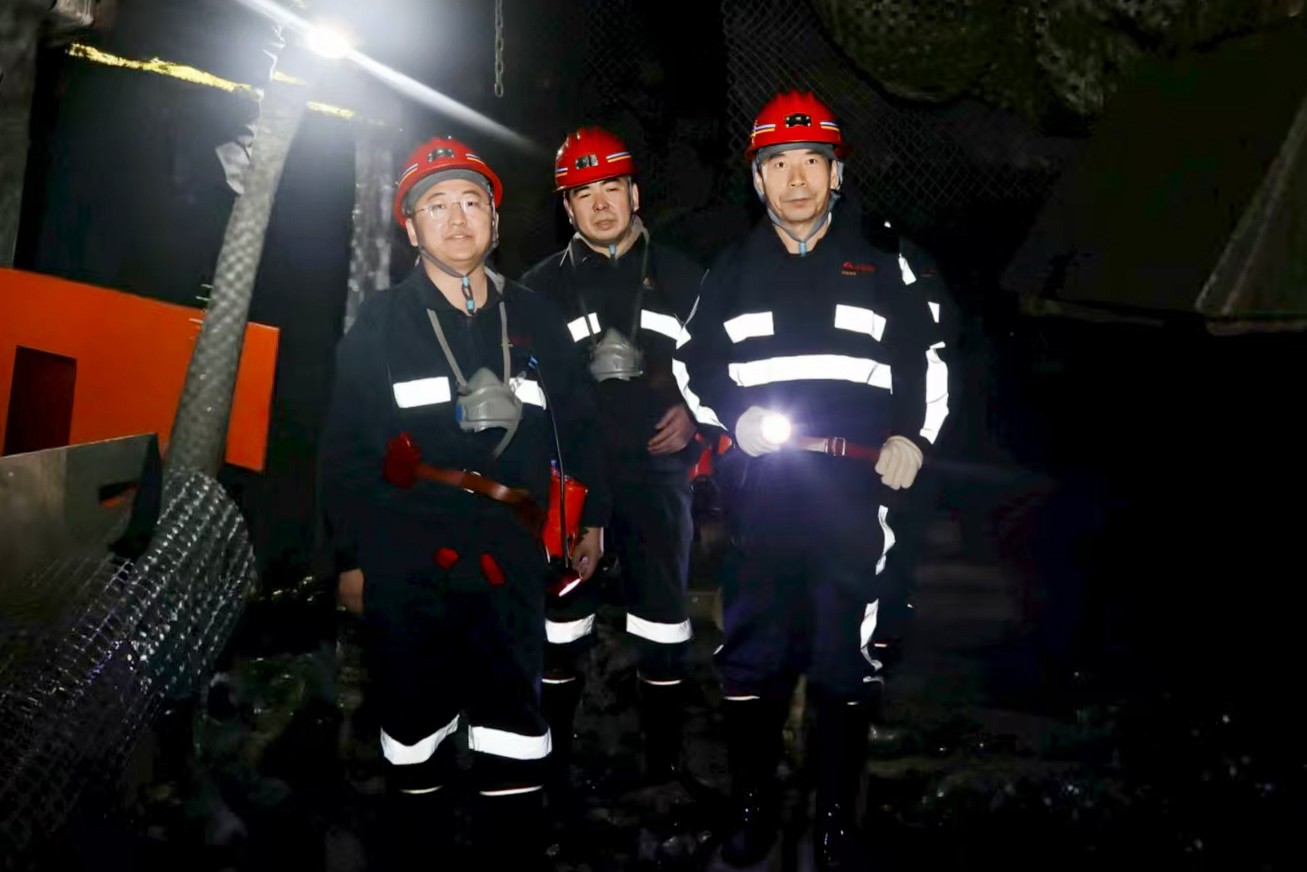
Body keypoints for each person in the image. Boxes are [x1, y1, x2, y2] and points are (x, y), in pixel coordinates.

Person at [673, 91, 951, 869]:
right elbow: (692, 363)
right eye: (777, 164)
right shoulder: (730, 271)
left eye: (811, 162)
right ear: (757, 179)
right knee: (752, 653)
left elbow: (930, 358)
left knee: (843, 654)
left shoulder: (888, 263)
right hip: (762, 496)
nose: (795, 179)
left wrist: (912, 438)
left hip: (857, 495)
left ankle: (834, 817)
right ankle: (752, 805)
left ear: (836, 173)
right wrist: (732, 419)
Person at [319, 136, 610, 868]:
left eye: (472, 202)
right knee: (415, 721)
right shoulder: (380, 326)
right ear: (411, 229)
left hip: (511, 552)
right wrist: (351, 559)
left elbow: (580, 426)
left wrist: (593, 518)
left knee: (512, 718)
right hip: (408, 553)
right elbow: (344, 452)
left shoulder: (538, 320)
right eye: (436, 206)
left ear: (495, 222)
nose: (457, 219)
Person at [520, 127, 706, 803]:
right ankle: (551, 771)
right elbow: (526, 394)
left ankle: (662, 771)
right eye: (582, 193)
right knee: (561, 623)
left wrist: (694, 415)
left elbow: (722, 368)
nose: (600, 204)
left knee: (662, 622)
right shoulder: (539, 288)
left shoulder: (685, 277)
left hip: (657, 475)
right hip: (572, 479)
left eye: (610, 188)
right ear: (566, 207)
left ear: (634, 193)